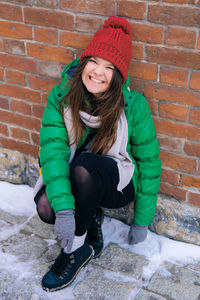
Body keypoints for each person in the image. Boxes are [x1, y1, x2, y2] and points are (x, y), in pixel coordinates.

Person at [33, 16, 161, 292]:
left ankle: (76, 253)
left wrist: (142, 220)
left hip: (116, 183)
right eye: (94, 61)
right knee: (46, 207)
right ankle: (89, 219)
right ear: (83, 63)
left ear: (118, 75)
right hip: (76, 174)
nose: (98, 72)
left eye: (109, 67)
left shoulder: (133, 106)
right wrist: (65, 211)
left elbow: (149, 162)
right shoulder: (61, 97)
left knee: (85, 165)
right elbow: (54, 154)